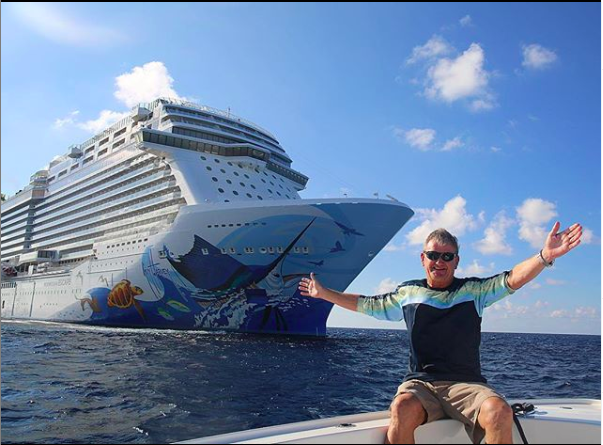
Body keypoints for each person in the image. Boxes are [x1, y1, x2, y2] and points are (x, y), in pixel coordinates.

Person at [298, 222, 582, 444]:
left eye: (447, 256)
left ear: (456, 261)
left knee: (499, 412)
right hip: (422, 385)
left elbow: (513, 278)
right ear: (423, 258)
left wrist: (545, 256)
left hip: (467, 385)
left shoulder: (474, 291)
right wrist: (324, 294)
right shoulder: (409, 293)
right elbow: (368, 305)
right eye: (433, 255)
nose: (440, 261)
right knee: (402, 408)